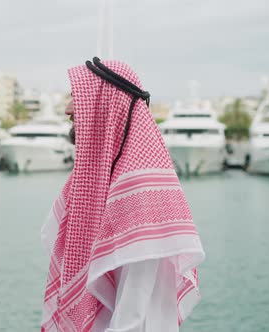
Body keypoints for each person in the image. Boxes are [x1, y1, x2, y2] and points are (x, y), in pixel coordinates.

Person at [40, 57, 205, 332]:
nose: (69, 109)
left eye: (77, 97)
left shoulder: (141, 190)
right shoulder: (99, 178)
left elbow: (133, 315)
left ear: (105, 105)